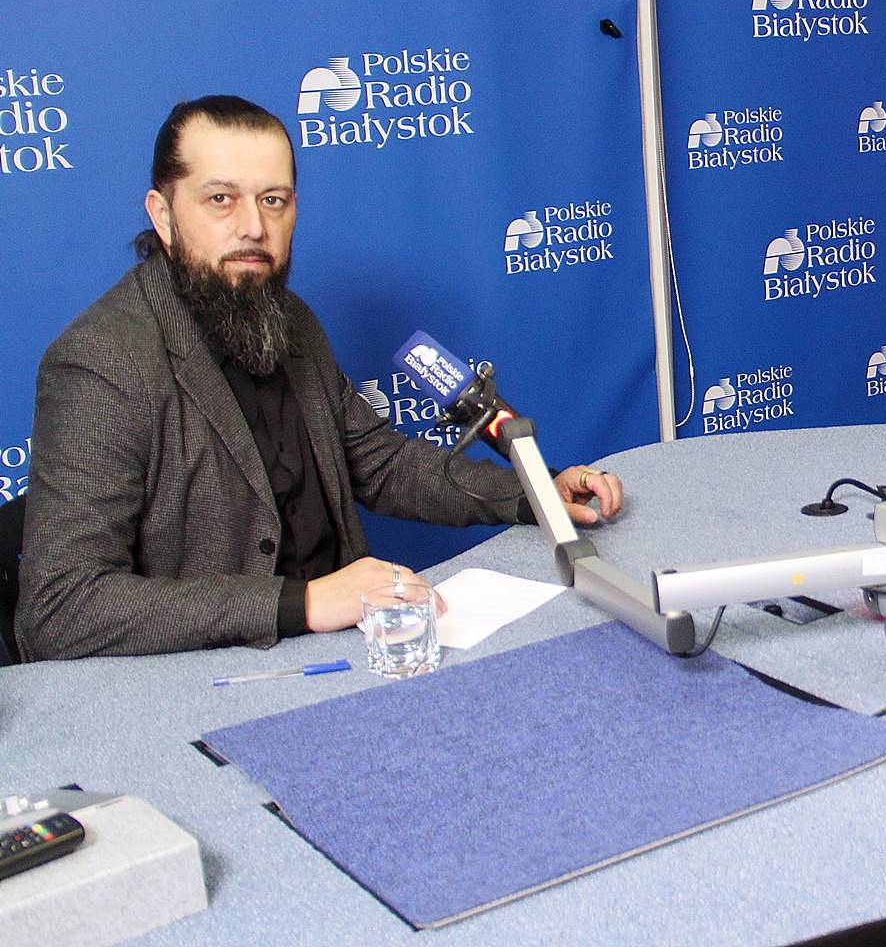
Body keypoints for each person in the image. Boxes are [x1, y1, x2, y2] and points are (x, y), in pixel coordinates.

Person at [15, 95, 623, 662]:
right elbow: (59, 607)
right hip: (212, 680)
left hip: (349, 656)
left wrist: (532, 493)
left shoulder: (290, 319)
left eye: (273, 200)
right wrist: (303, 603)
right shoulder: (99, 362)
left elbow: (380, 465)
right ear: (164, 215)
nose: (254, 227)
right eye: (220, 199)